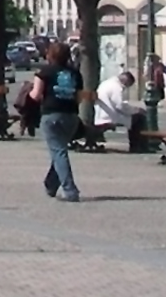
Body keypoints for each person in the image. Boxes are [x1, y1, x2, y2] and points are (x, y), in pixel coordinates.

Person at [32, 40, 83, 201]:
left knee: (59, 152)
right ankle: (51, 184)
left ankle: (70, 189)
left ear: (50, 54)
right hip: (71, 116)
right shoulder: (75, 73)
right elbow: (79, 97)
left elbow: (36, 95)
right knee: (59, 151)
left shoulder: (44, 71)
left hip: (51, 114)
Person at [94, 68, 147, 153]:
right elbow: (120, 106)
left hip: (102, 113)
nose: (126, 87)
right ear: (126, 81)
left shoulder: (106, 83)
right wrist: (136, 110)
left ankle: (138, 145)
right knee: (138, 118)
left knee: (135, 117)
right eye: (128, 85)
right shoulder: (116, 87)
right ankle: (136, 145)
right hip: (109, 116)